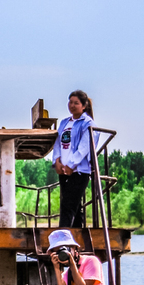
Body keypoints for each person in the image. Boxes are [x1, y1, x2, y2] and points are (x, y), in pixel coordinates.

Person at [52, 90, 96, 228]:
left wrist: (71, 165)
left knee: (68, 205)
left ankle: (62, 238)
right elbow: (58, 143)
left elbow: (84, 147)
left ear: (84, 106)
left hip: (79, 171)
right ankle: (77, 235)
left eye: (76, 103)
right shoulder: (65, 122)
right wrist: (57, 162)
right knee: (74, 207)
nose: (72, 105)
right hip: (64, 170)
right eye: (70, 102)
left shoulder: (87, 123)